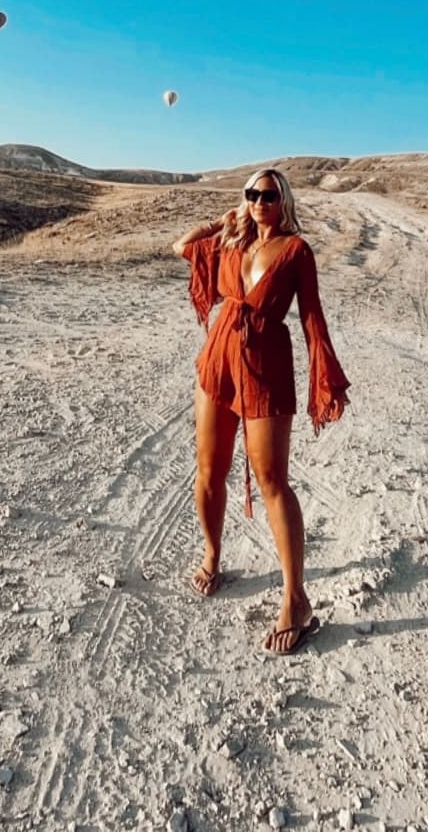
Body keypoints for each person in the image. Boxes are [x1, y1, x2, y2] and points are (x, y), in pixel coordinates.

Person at [172, 168, 350, 654]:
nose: (259, 202)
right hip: (217, 360)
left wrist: (323, 377)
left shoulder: (296, 251)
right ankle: (212, 556)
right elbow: (180, 246)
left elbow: (312, 318)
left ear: (283, 199)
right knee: (209, 468)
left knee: (273, 481)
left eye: (268, 195)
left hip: (266, 364)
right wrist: (220, 220)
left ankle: (296, 598)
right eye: (252, 194)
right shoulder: (234, 240)